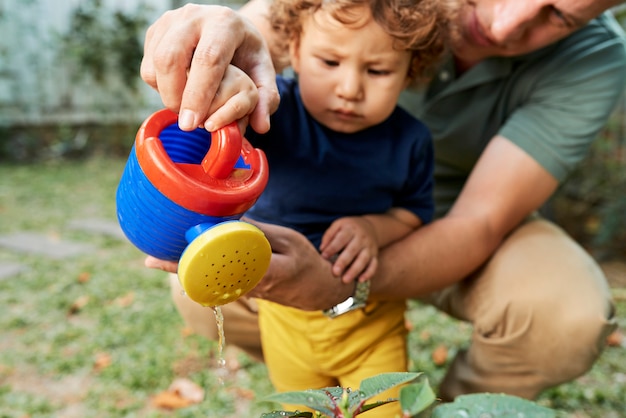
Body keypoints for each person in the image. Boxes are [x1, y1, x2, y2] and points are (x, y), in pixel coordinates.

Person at [141, 0, 626, 403]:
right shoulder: (288, 98)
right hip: (305, 251)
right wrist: (216, 62)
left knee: (566, 317)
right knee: (197, 288)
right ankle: (319, 382)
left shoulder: (594, 60)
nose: (506, 25)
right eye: (331, 64)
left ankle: (446, 411)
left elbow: (477, 220)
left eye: (560, 15)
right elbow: (260, 34)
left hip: (447, 215)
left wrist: (346, 275)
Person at [232, 0, 446, 414]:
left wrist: (372, 228)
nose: (350, 88)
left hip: (371, 326)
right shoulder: (270, 112)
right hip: (283, 320)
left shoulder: (410, 141)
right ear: (293, 48)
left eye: (378, 70)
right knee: (301, 410)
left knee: (381, 411)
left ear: (410, 72)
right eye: (329, 61)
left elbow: (413, 212)